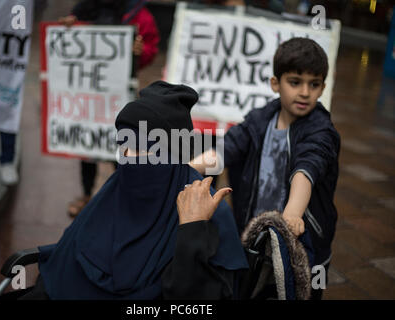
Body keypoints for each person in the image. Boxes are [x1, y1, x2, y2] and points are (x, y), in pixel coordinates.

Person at [16, 81, 247, 300]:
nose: (129, 159)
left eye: (143, 148)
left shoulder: (209, 213)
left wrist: (191, 231)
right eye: (124, 147)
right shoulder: (115, 190)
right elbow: (65, 264)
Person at [190, 37, 341, 300]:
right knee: (249, 289)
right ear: (276, 83)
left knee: (298, 292)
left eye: (314, 84)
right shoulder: (260, 119)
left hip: (301, 242)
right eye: (295, 82)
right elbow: (226, 150)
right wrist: (187, 168)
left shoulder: (321, 130)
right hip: (254, 234)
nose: (305, 92)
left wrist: (292, 215)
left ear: (323, 88)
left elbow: (306, 170)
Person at [59, 0, 160, 217]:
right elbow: (71, 37)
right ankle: (87, 194)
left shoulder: (140, 15)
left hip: (119, 94)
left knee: (121, 146)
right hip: (89, 93)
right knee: (88, 147)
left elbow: (151, 47)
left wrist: (140, 51)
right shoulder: (85, 9)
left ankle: (122, 197)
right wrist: (68, 27)